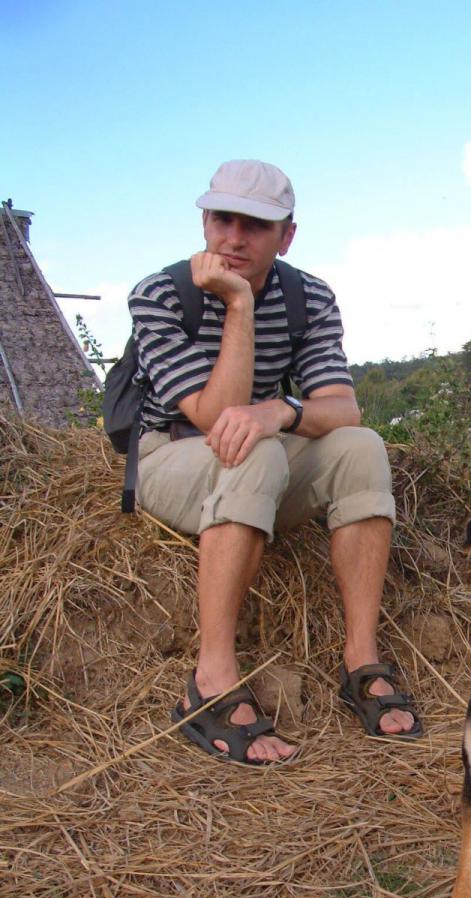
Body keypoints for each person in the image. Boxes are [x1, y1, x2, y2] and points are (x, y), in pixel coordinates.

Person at [128, 159, 422, 764]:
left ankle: (360, 659)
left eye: (255, 226)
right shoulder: (160, 294)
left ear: (286, 235)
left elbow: (343, 408)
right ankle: (210, 681)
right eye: (222, 219)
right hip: (169, 456)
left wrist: (284, 410)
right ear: (204, 222)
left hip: (255, 456)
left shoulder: (307, 295)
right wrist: (238, 305)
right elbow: (216, 418)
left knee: (361, 448)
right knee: (254, 446)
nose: (233, 238)